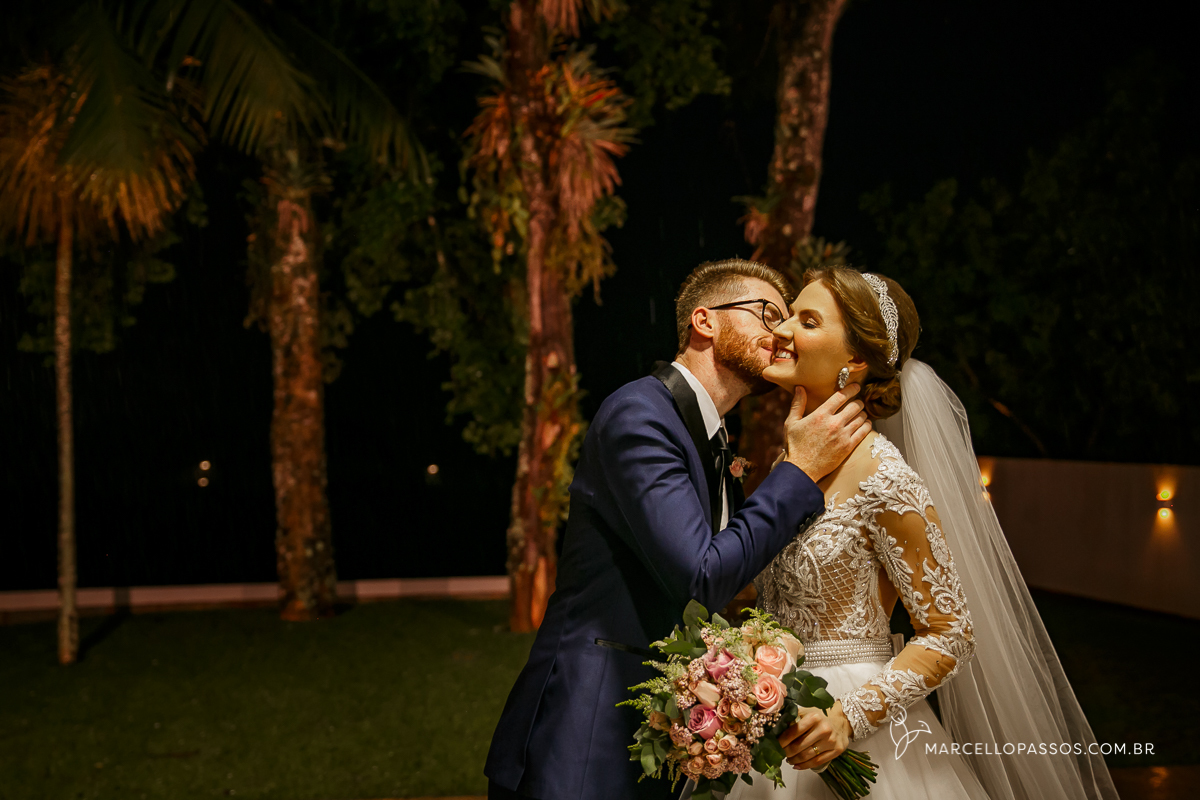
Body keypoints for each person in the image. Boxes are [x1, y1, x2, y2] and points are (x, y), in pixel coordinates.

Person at [485, 259, 873, 800]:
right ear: (704, 321)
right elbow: (700, 575)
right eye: (767, 314)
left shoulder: (712, 442)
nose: (782, 333)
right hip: (585, 733)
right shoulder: (640, 414)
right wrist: (800, 471)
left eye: (790, 320)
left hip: (662, 736)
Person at [730, 267, 1119, 800]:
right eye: (789, 314)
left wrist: (848, 716)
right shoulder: (790, 463)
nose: (782, 329)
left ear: (856, 360)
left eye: (808, 321)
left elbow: (950, 632)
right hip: (773, 717)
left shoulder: (885, 477)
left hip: (854, 730)